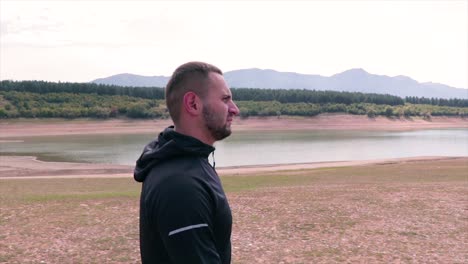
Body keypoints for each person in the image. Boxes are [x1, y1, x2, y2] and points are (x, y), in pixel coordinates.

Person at [134, 61, 240, 263]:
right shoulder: (180, 185)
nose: (234, 109)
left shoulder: (189, 164)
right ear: (193, 104)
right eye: (225, 99)